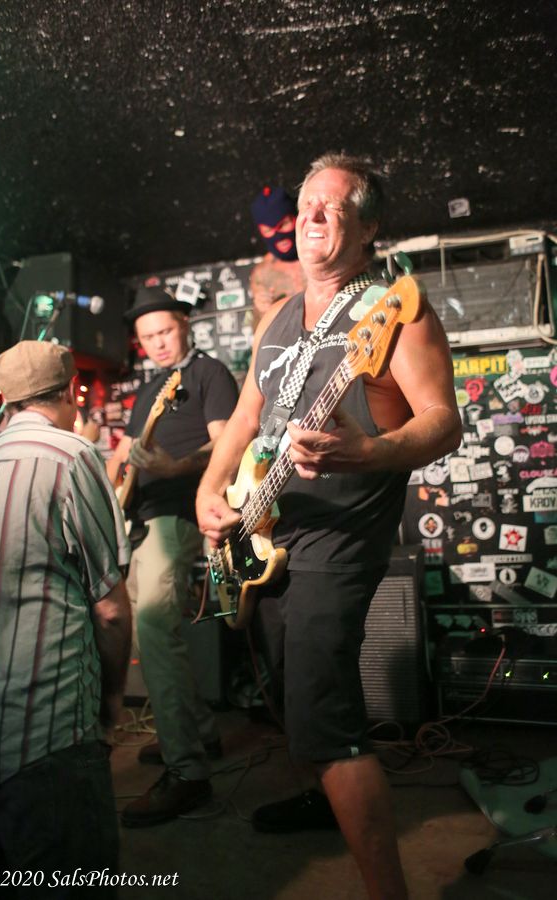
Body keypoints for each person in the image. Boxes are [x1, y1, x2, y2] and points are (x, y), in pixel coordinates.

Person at [196, 152, 462, 899]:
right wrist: (211, 491)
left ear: (369, 227)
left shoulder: (395, 311)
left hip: (340, 539)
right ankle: (325, 801)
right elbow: (245, 418)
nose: (311, 212)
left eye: (333, 205)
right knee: (294, 702)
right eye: (306, 201)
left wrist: (369, 451)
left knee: (326, 720)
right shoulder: (277, 317)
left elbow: (444, 421)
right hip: (268, 528)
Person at [0, 340, 131, 894]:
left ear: (4, 400)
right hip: (49, 734)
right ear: (71, 391)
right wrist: (112, 701)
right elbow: (109, 609)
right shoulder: (71, 456)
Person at [106, 287, 239, 826]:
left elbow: (227, 444)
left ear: (185, 324)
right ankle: (199, 733)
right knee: (149, 635)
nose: (158, 343)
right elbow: (126, 454)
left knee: (155, 629)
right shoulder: (148, 390)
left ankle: (188, 772)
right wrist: (117, 479)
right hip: (140, 520)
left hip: (180, 514)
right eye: (147, 338)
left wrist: (175, 467)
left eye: (164, 331)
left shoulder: (210, 374)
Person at [249, 185, 306, 327]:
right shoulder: (262, 273)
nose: (279, 236)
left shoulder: (320, 253)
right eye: (268, 230)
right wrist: (262, 312)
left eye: (284, 224)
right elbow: (258, 331)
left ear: (296, 218)